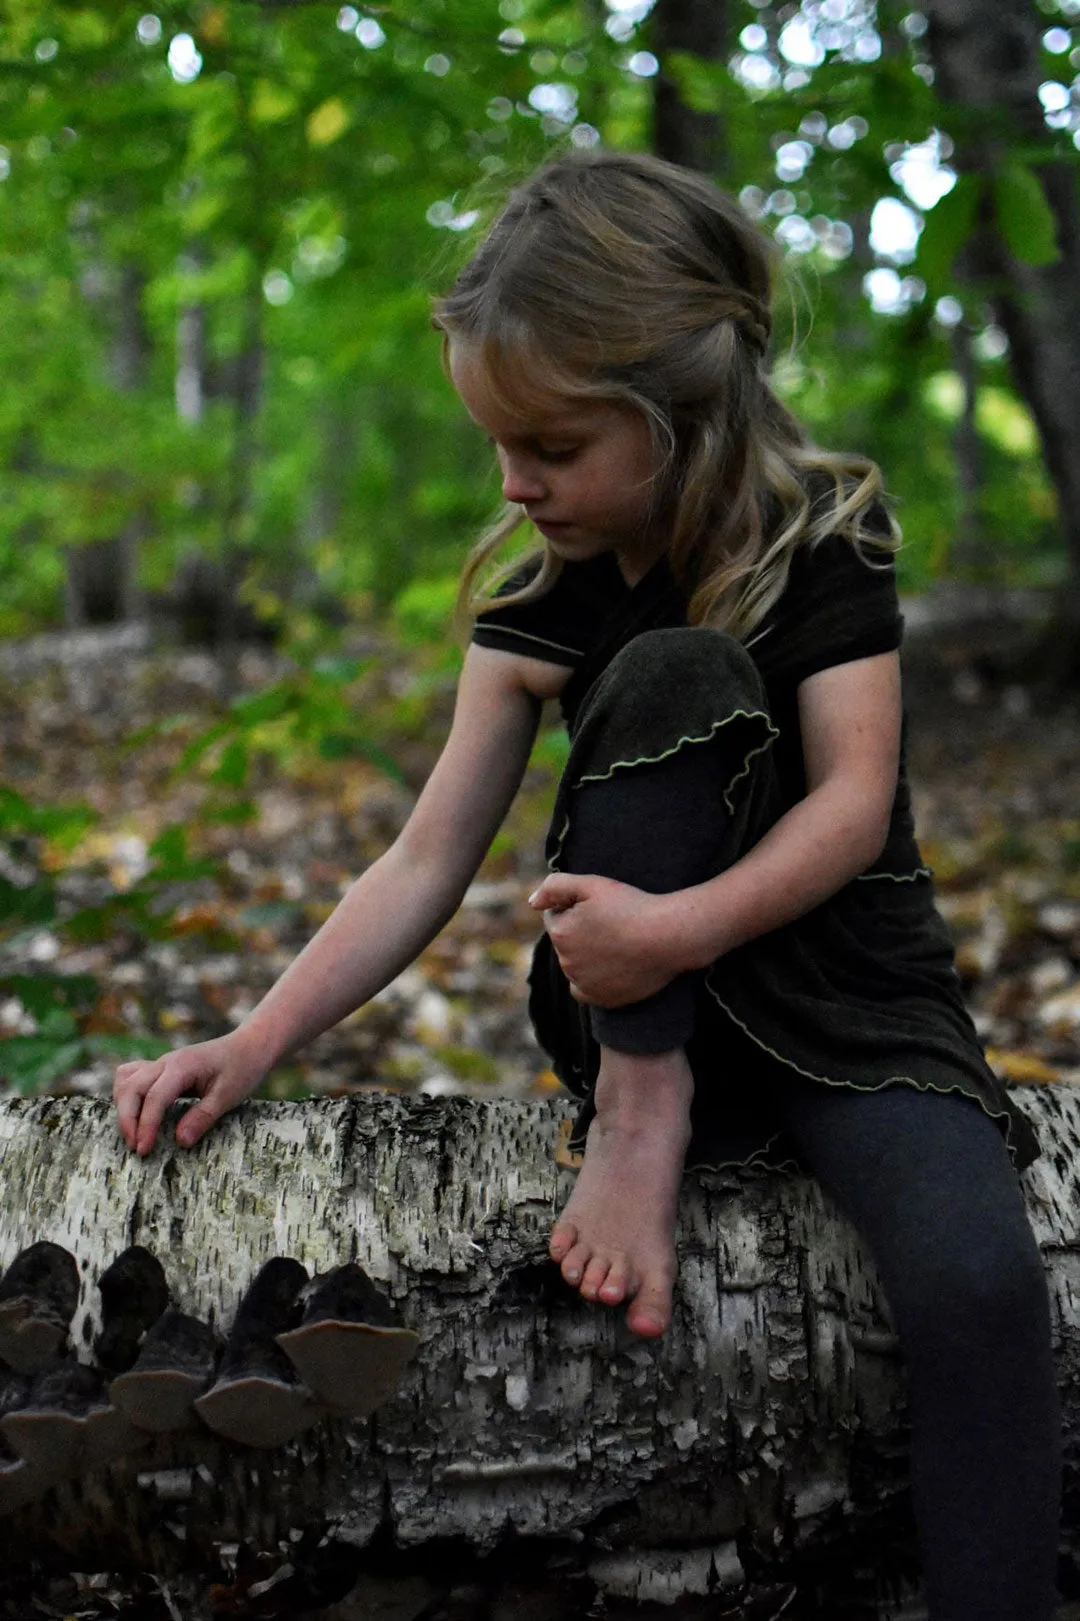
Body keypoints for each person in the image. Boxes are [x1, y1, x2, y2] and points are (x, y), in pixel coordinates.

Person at [113, 151, 1060, 1619]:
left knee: (984, 1287)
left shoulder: (828, 537)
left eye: (551, 444)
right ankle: (644, 1111)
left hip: (852, 1006)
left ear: (683, 416)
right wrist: (257, 1037)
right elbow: (428, 855)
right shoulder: (542, 591)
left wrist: (678, 925)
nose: (515, 480)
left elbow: (855, 807)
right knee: (667, 672)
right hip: (636, 1006)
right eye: (497, 443)